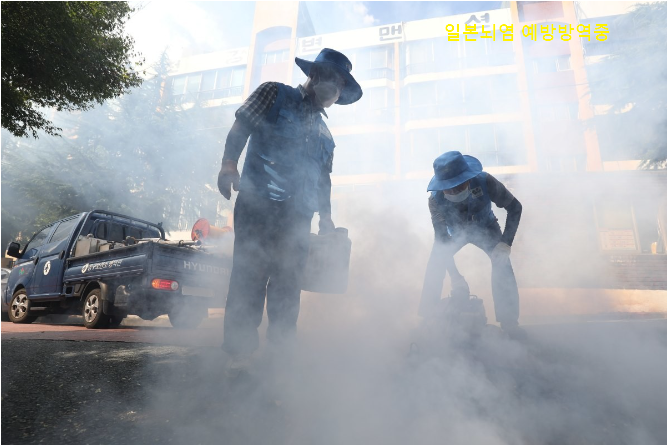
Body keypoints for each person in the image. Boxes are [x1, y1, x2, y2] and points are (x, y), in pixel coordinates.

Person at [217, 48, 363, 366]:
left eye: (341, 85)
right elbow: (242, 125)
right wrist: (229, 164)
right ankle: (238, 358)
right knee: (250, 275)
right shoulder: (274, 94)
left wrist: (326, 218)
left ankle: (280, 357)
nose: (335, 89)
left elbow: (323, 180)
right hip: (257, 205)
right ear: (314, 74)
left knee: (288, 283)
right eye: (333, 79)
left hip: (298, 217)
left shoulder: (325, 135)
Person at [419, 151, 524, 337]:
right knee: (436, 262)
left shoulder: (486, 181)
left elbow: (515, 207)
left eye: (457, 186)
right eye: (447, 188)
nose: (452, 192)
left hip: (486, 227)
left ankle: (509, 324)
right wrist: (455, 276)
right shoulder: (435, 200)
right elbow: (442, 241)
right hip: (454, 234)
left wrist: (506, 242)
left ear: (468, 178)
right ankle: (428, 321)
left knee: (502, 264)